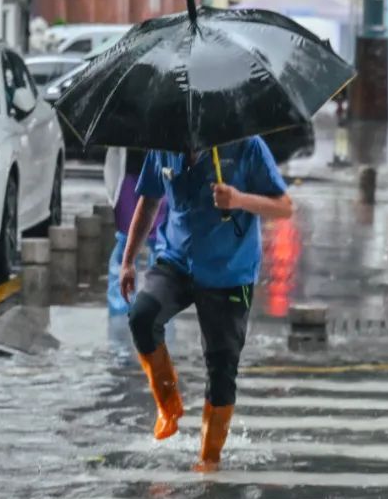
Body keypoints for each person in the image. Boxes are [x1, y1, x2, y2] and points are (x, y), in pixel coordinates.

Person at [121, 137, 293, 472]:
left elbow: (285, 206)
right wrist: (128, 260)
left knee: (221, 366)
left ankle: (209, 459)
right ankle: (168, 406)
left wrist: (239, 199)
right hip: (177, 259)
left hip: (230, 269)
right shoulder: (164, 142)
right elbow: (150, 200)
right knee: (142, 316)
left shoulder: (248, 146)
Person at [103, 147, 167, 316]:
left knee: (160, 244)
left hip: (162, 172)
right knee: (126, 242)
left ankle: (159, 306)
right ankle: (119, 308)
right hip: (128, 175)